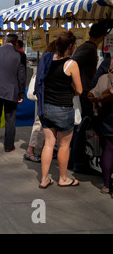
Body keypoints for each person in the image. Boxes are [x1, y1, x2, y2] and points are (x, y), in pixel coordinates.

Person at [36, 31, 82, 189]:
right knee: (63, 145)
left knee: (49, 143)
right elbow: (80, 90)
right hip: (63, 108)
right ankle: (63, 178)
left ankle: (44, 179)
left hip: (46, 107)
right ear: (70, 46)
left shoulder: (47, 59)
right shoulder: (71, 64)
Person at [70, 22, 108, 173]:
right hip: (84, 93)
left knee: (81, 128)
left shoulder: (87, 47)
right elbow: (72, 63)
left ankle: (77, 160)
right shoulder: (89, 48)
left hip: (84, 91)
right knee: (82, 128)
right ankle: (78, 162)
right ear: (103, 35)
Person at [0, 34, 26, 152]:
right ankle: (8, 145)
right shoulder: (19, 55)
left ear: (5, 41)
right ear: (16, 42)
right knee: (10, 119)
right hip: (11, 90)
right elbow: (21, 76)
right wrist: (21, 93)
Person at [88, 56, 113, 197]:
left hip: (107, 112)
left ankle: (107, 185)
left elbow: (92, 88)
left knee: (109, 147)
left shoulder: (107, 63)